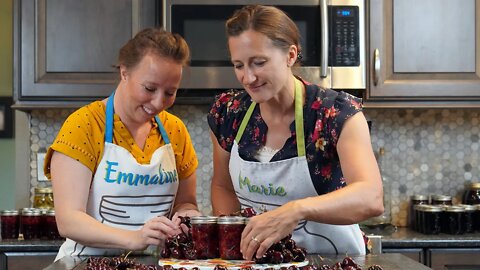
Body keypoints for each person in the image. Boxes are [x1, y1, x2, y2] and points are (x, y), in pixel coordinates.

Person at [207, 5, 383, 260]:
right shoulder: (229, 113)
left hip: (331, 262)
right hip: (260, 263)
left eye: (259, 63)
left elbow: (371, 196)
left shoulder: (335, 114)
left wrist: (295, 210)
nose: (248, 77)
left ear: (290, 55)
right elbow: (222, 186)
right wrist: (236, 240)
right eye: (239, 65)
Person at [44, 27, 200, 260]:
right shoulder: (84, 125)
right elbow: (68, 220)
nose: (159, 102)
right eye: (149, 88)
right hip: (86, 263)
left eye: (170, 92)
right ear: (124, 72)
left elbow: (186, 203)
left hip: (154, 263)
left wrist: (186, 218)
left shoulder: (175, 129)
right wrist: (134, 238)